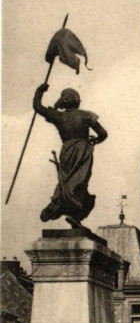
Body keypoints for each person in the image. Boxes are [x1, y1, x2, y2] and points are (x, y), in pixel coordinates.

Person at [33, 83, 107, 224]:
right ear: (73, 99)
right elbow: (103, 134)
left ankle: (59, 205)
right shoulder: (86, 115)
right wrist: (96, 140)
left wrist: (39, 91)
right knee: (79, 182)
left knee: (66, 181)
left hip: (66, 152)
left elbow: (38, 107)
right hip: (83, 151)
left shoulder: (58, 116)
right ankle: (74, 211)